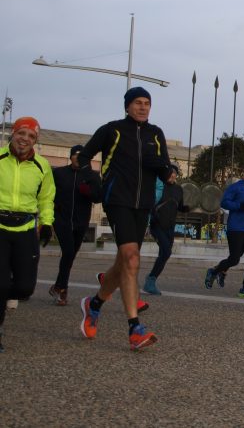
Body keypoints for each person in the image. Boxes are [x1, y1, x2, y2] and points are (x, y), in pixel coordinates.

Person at [76, 87, 171, 351]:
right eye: (138, 103)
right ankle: (134, 328)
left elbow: (164, 166)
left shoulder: (156, 134)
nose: (143, 107)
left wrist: (168, 172)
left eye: (147, 103)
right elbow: (84, 156)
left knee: (124, 262)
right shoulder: (112, 129)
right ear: (128, 106)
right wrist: (93, 179)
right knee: (131, 259)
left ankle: (93, 304)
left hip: (143, 205)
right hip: (117, 200)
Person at [0, 117, 55, 352]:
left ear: (36, 141)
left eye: (31, 136)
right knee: (1, 285)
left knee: (24, 288)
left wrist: (48, 222)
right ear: (13, 133)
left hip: (25, 230)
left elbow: (46, 198)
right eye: (22, 133)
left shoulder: (42, 166)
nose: (25, 139)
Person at [204, 164, 244, 298]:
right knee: (234, 259)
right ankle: (214, 271)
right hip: (236, 228)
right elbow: (224, 203)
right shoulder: (235, 187)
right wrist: (239, 206)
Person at [48, 144, 101, 306]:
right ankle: (62, 290)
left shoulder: (92, 176)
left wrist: (89, 191)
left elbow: (98, 197)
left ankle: (58, 286)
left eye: (81, 155)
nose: (77, 158)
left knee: (70, 255)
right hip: (61, 219)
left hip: (80, 221)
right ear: (70, 157)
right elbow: (48, 194)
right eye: (75, 155)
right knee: (69, 251)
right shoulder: (59, 173)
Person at [142, 164, 189, 296]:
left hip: (170, 227)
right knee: (166, 250)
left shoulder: (179, 189)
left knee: (165, 254)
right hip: (157, 225)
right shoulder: (158, 186)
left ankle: (151, 280)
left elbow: (178, 205)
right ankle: (150, 280)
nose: (172, 175)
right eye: (169, 172)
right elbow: (150, 202)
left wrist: (184, 208)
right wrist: (152, 216)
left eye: (174, 173)